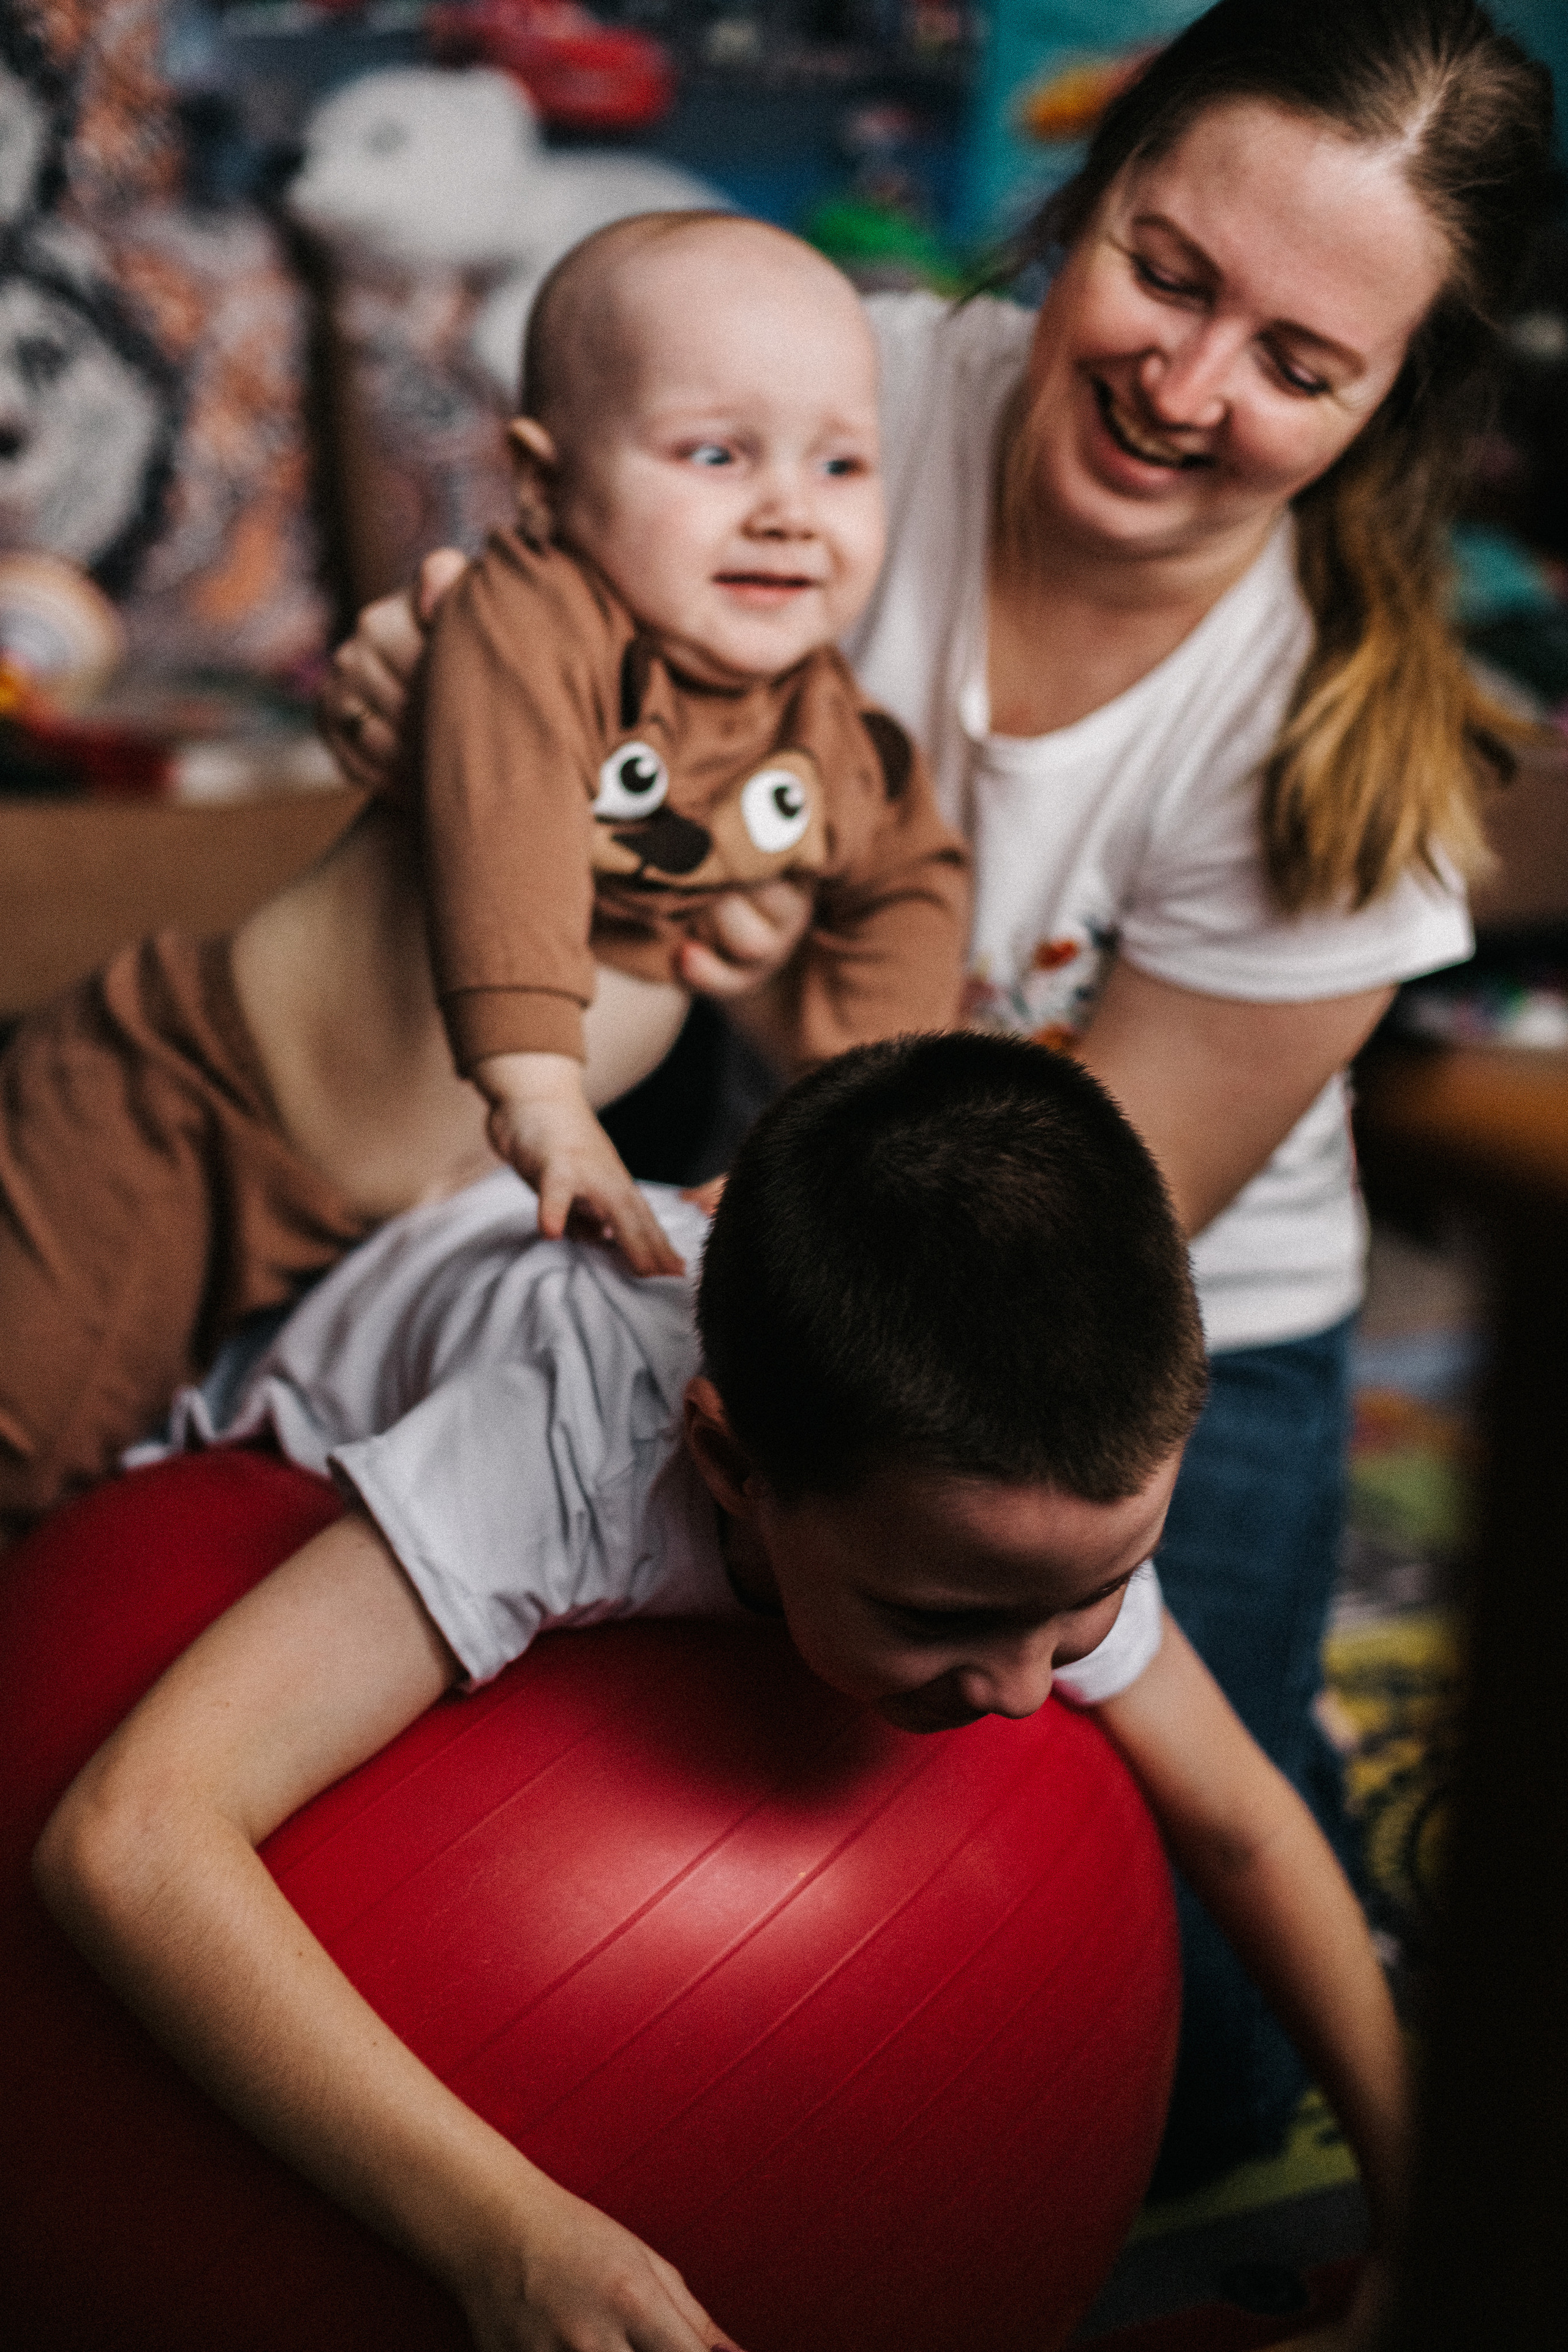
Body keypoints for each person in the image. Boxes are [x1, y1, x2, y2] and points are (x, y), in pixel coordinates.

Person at [323, 0, 1554, 2180]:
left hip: (1131, 1307)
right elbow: (537, 620)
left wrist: (755, 962)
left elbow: (1015, 1230)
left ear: (1398, 412)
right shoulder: (840, 393)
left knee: (1182, 2095)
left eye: (1299, 361)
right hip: (761, 1132)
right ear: (1079, 202)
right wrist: (443, 674)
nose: (1185, 389)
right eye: (1167, 274)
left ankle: (1284, 1746)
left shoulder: (1340, 753)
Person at [35, 1033, 1406, 2352]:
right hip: (285, 1338)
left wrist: (1433, 2214)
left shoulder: (1032, 1491)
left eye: (1088, 1598)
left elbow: (1239, 1821)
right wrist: (501, 2230)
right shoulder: (555, 1447)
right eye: (937, 1620)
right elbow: (131, 1838)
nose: (1022, 1689)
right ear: (729, 1465)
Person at [0, 216, 965, 1536]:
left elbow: (908, 889)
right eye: (715, 454)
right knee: (27, 1429)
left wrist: (862, 1137)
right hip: (183, 1108)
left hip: (396, 1213)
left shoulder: (834, 742)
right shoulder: (532, 621)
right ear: (547, 485)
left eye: (840, 463)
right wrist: (538, 1084)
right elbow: (507, 806)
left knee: (222, 1492)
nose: (787, 509)